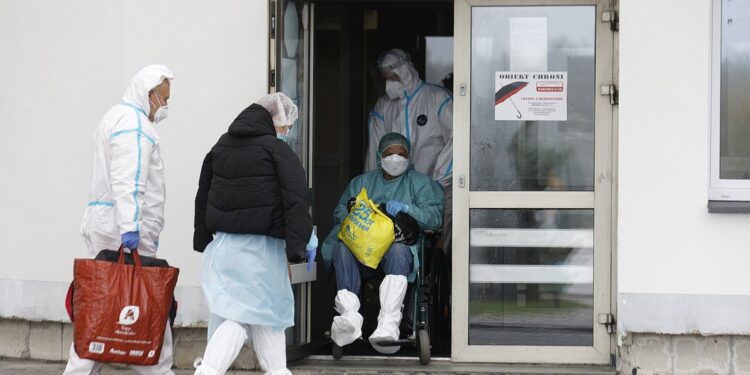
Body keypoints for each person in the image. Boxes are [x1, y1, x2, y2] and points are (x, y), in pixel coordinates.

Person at [192, 93, 315, 375]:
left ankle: (276, 371)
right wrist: (299, 245)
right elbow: (295, 200)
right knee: (248, 319)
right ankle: (208, 371)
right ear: (275, 121)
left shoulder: (221, 145)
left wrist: (201, 235)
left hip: (224, 250)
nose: (286, 133)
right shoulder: (277, 151)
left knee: (260, 319)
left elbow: (204, 191)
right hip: (261, 255)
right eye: (285, 127)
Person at [65, 64, 175, 374]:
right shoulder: (134, 124)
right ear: (149, 93)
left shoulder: (116, 116)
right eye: (164, 98)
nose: (165, 105)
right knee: (142, 306)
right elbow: (128, 179)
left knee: (104, 310)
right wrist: (130, 229)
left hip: (110, 226)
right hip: (122, 232)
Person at [321, 132, 444, 354]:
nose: (395, 158)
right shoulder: (361, 183)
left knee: (398, 250)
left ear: (409, 157)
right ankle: (348, 317)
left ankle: (389, 322)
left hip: (397, 251)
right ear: (380, 157)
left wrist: (408, 210)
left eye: (401, 154)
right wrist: (351, 211)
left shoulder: (420, 184)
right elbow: (338, 212)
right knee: (342, 248)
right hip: (362, 251)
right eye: (390, 153)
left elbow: (435, 217)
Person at [365, 48, 454, 253]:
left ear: (406, 70)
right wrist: (371, 190)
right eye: (386, 78)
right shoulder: (383, 107)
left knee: (442, 243)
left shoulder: (437, 98)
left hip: (439, 187)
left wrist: (440, 180)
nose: (390, 83)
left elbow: (457, 139)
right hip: (396, 192)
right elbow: (374, 152)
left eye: (394, 77)